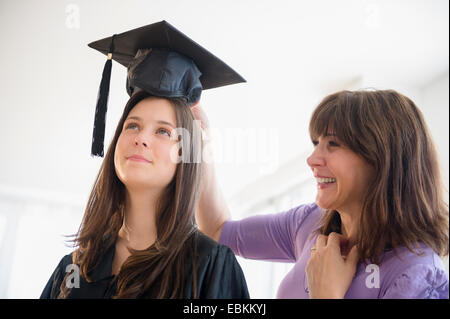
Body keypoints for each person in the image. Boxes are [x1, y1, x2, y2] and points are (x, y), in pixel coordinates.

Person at [40, 21, 249, 299]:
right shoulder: (74, 268)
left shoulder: (209, 267)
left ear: (184, 153)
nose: (142, 139)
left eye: (163, 131)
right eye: (133, 126)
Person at [193, 89, 449, 298]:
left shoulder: (417, 276)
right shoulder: (309, 224)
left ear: (382, 159)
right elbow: (218, 230)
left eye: (333, 144)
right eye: (316, 143)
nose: (312, 159)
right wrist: (198, 142)